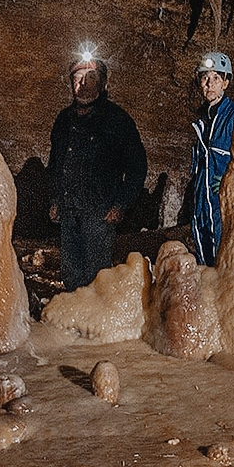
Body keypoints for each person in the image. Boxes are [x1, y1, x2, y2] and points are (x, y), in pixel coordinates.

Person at [47, 53, 147, 293]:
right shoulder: (64, 120)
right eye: (78, 78)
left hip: (99, 215)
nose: (82, 84)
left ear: (103, 84)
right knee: (71, 278)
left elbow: (137, 166)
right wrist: (54, 199)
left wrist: (121, 204)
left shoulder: (117, 120)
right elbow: (55, 164)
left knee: (97, 280)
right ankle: (71, 327)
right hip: (69, 212)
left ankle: (94, 328)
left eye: (91, 78)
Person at [186, 52, 234, 267]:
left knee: (223, 253)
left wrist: (230, 184)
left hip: (222, 200)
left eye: (216, 78)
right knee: (203, 252)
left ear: (225, 83)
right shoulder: (202, 121)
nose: (209, 84)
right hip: (201, 200)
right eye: (205, 78)